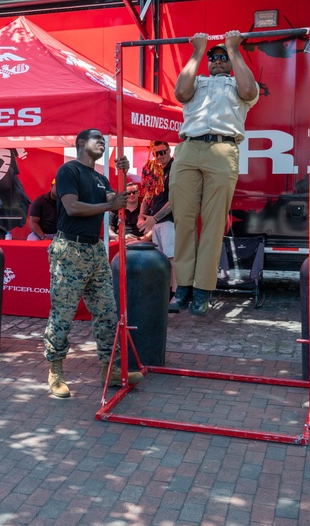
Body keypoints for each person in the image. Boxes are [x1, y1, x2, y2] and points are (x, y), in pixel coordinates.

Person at [43, 128, 143, 399]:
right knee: (63, 314)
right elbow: (73, 207)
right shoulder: (69, 171)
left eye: (103, 139)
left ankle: (109, 370)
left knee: (108, 315)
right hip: (70, 249)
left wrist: (122, 174)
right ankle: (56, 371)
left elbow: (115, 200)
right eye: (96, 138)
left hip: (95, 251)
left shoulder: (101, 177)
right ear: (80, 143)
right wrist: (109, 206)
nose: (102, 142)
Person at [169, 31, 258, 316]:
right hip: (188, 148)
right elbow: (180, 93)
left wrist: (234, 49)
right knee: (183, 219)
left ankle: (203, 290)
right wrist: (197, 52)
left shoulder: (237, 81)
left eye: (223, 57)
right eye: (214, 57)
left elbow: (250, 92)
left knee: (213, 222)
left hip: (222, 149)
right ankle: (183, 286)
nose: (218, 61)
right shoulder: (197, 82)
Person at [138, 140, 176, 293]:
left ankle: (176, 294)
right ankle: (165, 292)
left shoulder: (175, 168)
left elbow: (175, 200)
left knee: (171, 259)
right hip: (157, 222)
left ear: (169, 151)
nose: (159, 156)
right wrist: (141, 216)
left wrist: (154, 219)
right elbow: (148, 195)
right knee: (161, 260)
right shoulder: (155, 170)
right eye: (156, 153)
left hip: (169, 221)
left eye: (162, 152)